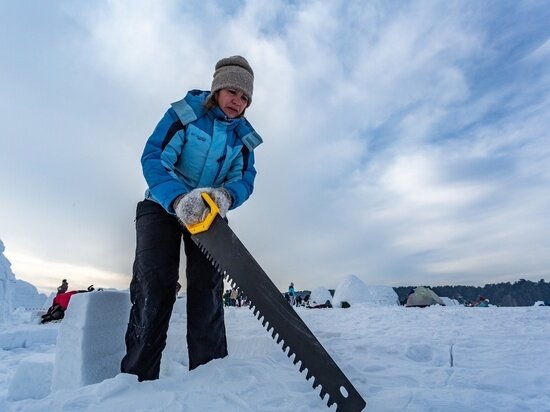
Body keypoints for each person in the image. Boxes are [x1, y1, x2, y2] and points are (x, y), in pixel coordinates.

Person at [121, 55, 262, 382]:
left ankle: (210, 373)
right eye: (232, 92)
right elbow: (154, 156)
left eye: (244, 98)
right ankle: (137, 378)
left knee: (208, 289)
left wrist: (225, 196)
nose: (237, 102)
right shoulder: (185, 113)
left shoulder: (244, 138)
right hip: (162, 205)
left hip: (209, 213)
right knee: (154, 284)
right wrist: (178, 198)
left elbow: (244, 179)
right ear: (217, 90)